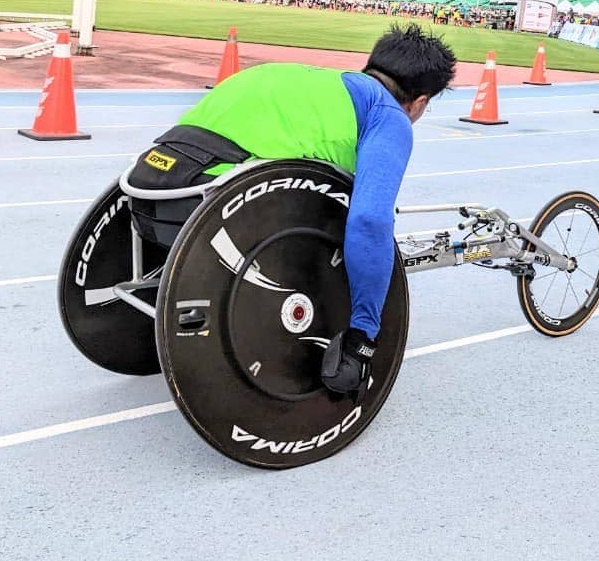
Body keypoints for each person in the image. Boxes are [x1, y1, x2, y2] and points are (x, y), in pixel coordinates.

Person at [133, 23, 456, 395]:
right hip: (212, 209)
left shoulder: (309, 80)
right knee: (358, 224)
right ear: (419, 103)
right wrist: (362, 337)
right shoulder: (389, 115)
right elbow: (370, 220)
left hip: (151, 189)